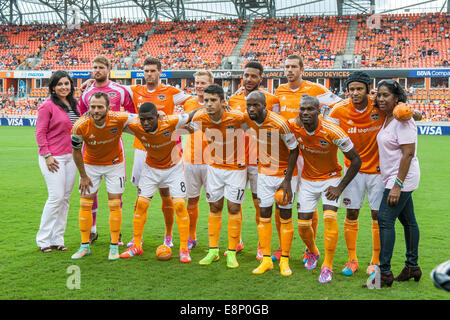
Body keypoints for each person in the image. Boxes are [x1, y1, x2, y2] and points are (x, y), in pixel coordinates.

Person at [273, 54, 342, 262]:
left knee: (307, 199)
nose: (289, 70)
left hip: (308, 151)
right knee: (281, 200)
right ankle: (280, 245)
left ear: (302, 69)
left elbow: (339, 105)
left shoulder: (316, 89)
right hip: (286, 152)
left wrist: (325, 124)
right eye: (286, 66)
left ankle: (308, 248)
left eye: (294, 66)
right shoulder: (279, 91)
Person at [288, 95, 361, 283]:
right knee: (303, 225)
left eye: (310, 109)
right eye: (302, 109)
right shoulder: (295, 128)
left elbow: (356, 160)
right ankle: (313, 251)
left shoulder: (333, 131)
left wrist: (339, 187)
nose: (305, 113)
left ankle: (327, 265)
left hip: (331, 179)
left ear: (319, 112)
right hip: (308, 180)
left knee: (330, 218)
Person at [119, 102, 202, 262]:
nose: (146, 123)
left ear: (157, 117)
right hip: (151, 169)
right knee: (141, 204)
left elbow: (192, 115)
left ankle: (184, 249)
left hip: (174, 168)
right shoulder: (136, 125)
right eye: (142, 119)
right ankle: (136, 245)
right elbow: (113, 120)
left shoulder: (170, 122)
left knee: (179, 205)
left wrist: (209, 106)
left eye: (150, 119)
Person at [126, 57, 191, 248]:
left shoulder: (170, 92)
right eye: (146, 71)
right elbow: (112, 89)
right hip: (141, 148)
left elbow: (192, 101)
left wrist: (171, 118)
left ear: (160, 72)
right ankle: (137, 237)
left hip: (166, 148)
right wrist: (90, 83)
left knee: (166, 195)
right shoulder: (135, 90)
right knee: (140, 195)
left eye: (153, 71)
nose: (149, 74)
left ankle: (168, 236)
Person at [326, 71, 384, 277]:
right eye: (351, 89)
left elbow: (404, 110)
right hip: (354, 171)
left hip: (379, 171)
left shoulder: (380, 105)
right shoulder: (338, 110)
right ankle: (352, 259)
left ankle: (375, 261)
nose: (355, 93)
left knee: (377, 216)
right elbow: (326, 134)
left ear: (368, 90)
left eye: (360, 89)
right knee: (352, 213)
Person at [70, 92, 136, 260]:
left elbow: (141, 118)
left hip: (115, 165)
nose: (96, 110)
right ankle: (85, 246)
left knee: (114, 204)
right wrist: (83, 175)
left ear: (109, 107)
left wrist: (158, 114)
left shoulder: (119, 118)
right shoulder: (79, 125)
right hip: (90, 166)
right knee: (85, 204)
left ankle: (114, 246)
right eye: (93, 107)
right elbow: (76, 152)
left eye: (100, 107)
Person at [78, 55, 135, 245]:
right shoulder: (86, 93)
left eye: (101, 67)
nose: (97, 70)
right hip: (91, 148)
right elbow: (82, 118)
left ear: (109, 69)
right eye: (94, 67)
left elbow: (130, 111)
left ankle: (116, 234)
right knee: (89, 192)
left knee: (115, 195)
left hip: (114, 147)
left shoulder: (120, 90)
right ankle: (92, 229)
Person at [370, 79, 421, 288]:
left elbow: (408, 154)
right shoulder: (388, 116)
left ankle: (385, 274)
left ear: (396, 97)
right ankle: (412, 267)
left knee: (384, 219)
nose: (381, 99)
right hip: (392, 176)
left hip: (402, 178)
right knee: (408, 221)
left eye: (386, 95)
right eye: (379, 95)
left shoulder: (403, 120)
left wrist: (397, 185)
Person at [228, 61, 280, 260]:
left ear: (261, 78)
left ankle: (262, 245)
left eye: (253, 76)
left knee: (261, 203)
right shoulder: (233, 99)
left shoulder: (272, 99)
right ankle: (237, 241)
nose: (249, 79)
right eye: (246, 75)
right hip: (238, 158)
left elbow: (276, 127)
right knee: (235, 202)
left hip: (262, 159)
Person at [191, 84, 247, 269]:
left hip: (236, 169)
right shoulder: (200, 117)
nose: (209, 104)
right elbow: (184, 123)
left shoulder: (237, 117)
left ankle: (231, 252)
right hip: (214, 167)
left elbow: (256, 125)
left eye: (213, 100)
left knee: (233, 207)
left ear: (223, 101)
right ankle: (213, 251)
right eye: (206, 100)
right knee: (214, 207)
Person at [244, 91, 299, 276]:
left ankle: (284, 259)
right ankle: (266, 259)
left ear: (264, 106)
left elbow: (294, 150)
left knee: (285, 215)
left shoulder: (279, 123)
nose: (251, 109)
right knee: (264, 215)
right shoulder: (248, 119)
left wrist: (288, 180)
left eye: (255, 105)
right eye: (248, 105)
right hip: (264, 174)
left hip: (284, 175)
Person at [35, 70, 79, 253]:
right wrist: (47, 155)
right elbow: (40, 132)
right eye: (59, 84)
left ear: (71, 85)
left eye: (66, 83)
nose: (63, 87)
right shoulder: (47, 106)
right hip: (53, 157)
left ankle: (57, 238)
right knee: (56, 197)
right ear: (53, 87)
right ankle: (43, 240)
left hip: (72, 157)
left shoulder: (74, 103)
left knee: (66, 199)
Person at [182, 70, 213, 251]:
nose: (199, 86)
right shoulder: (188, 102)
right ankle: (191, 237)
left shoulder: (221, 104)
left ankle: (213, 240)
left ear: (211, 83)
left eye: (203, 83)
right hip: (191, 159)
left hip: (212, 161)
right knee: (191, 201)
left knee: (214, 202)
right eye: (197, 83)